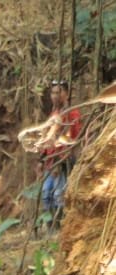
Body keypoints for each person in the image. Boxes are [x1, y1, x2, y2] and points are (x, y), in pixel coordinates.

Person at [36, 80, 82, 227]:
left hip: (63, 160)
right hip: (50, 161)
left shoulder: (72, 113)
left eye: (58, 92)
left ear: (66, 94)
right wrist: (41, 160)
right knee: (45, 193)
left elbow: (73, 139)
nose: (55, 96)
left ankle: (59, 227)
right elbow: (47, 140)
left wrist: (60, 160)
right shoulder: (54, 113)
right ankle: (50, 227)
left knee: (58, 194)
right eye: (53, 93)